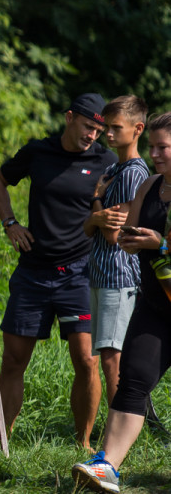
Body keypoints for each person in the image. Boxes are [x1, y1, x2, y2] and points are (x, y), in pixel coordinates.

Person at [0, 93, 119, 450]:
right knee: (14, 360)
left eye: (99, 130)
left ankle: (84, 443)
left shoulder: (106, 161)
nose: (93, 135)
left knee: (86, 360)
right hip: (33, 272)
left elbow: (121, 207)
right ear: (69, 117)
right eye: (88, 126)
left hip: (80, 272)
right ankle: (2, 442)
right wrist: (10, 223)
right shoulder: (38, 152)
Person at [72, 112, 171, 494]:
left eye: (163, 147)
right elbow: (116, 233)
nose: (155, 154)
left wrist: (160, 244)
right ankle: (106, 466)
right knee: (133, 380)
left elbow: (157, 241)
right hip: (157, 307)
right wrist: (118, 225)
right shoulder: (149, 186)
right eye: (153, 147)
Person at [83, 96, 149, 406]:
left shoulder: (134, 173)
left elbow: (111, 235)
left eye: (115, 128)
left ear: (138, 129)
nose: (108, 134)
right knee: (107, 353)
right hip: (100, 274)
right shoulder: (113, 167)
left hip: (118, 277)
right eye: (106, 127)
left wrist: (96, 203)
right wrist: (97, 215)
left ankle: (117, 433)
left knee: (112, 358)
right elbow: (87, 229)